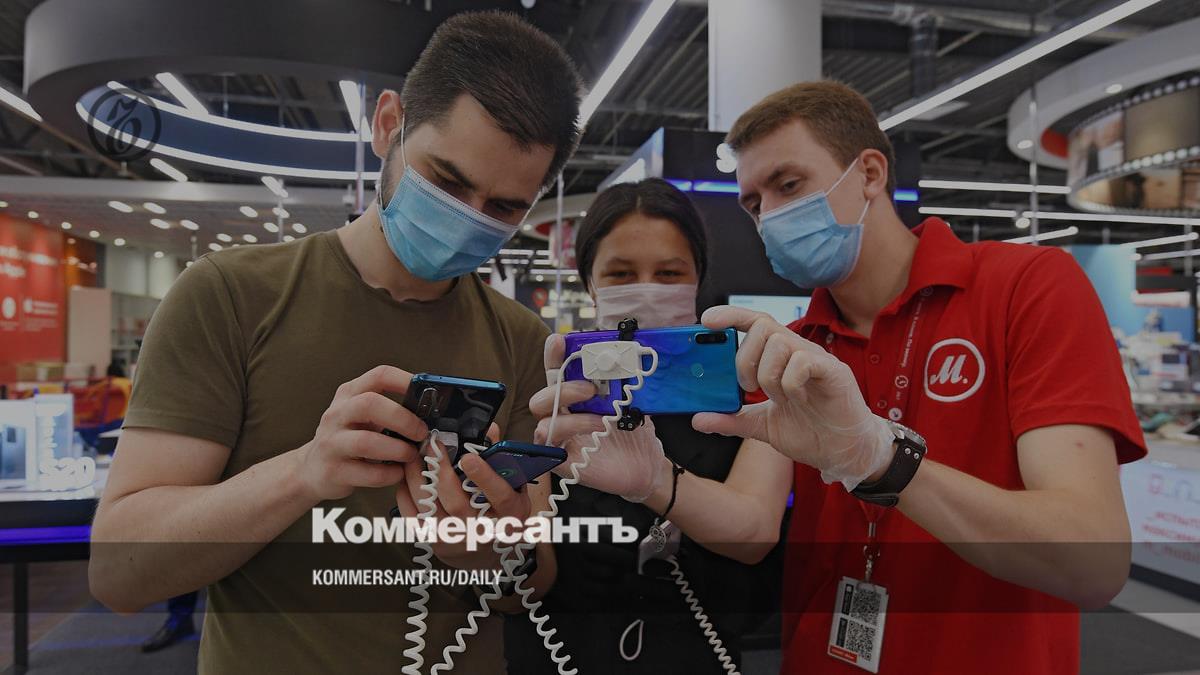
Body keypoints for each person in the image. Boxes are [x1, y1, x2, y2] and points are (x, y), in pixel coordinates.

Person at [88, 11, 582, 674]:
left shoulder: (523, 340)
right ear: (387, 124)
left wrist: (486, 551)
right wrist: (303, 473)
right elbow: (119, 573)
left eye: (503, 208)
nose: (467, 218)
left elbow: (536, 579)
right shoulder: (228, 298)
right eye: (446, 180)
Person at [687, 81, 1144, 673]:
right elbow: (751, 524)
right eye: (753, 204)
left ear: (869, 173)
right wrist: (650, 479)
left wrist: (883, 460)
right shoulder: (796, 347)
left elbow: (1094, 564)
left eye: (789, 185)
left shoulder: (1025, 288)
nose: (770, 215)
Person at [510, 178, 792, 673]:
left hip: (698, 654)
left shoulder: (753, 390)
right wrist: (501, 542)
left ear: (697, 277)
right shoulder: (555, 396)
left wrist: (655, 482)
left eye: (669, 273)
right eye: (621, 273)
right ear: (590, 281)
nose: (646, 287)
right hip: (567, 653)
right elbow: (534, 574)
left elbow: (754, 531)